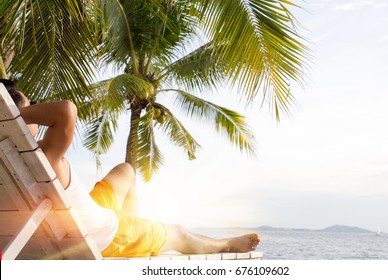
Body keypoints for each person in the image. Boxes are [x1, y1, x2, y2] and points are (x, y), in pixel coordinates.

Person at [1, 79, 260, 257]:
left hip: (90, 209)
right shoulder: (43, 155)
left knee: (126, 170)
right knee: (178, 233)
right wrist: (12, 118)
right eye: (31, 105)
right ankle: (226, 243)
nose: (36, 109)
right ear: (17, 113)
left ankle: (137, 221)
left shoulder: (16, 159)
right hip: (110, 233)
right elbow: (66, 111)